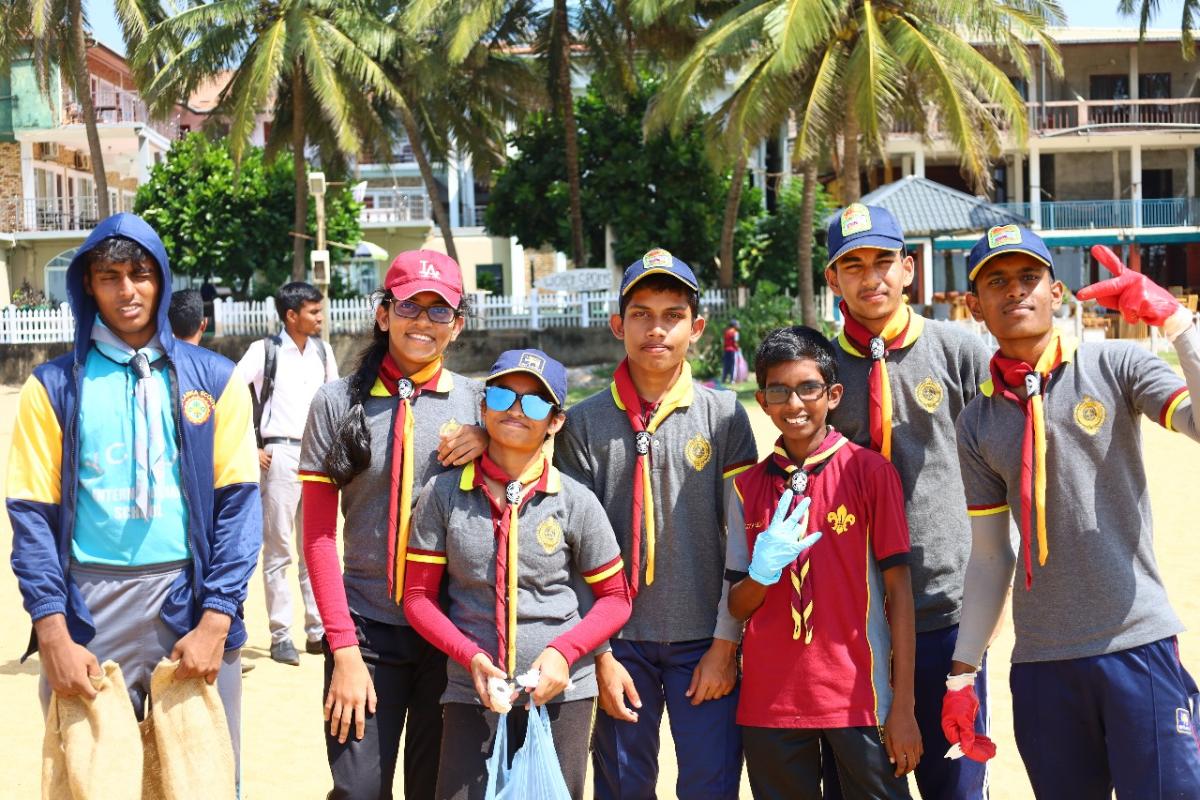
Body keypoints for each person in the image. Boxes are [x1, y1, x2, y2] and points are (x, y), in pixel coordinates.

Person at [944, 225, 1200, 798]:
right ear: (975, 305)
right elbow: (990, 558)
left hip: (1137, 644)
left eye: (1029, 277)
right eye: (996, 282)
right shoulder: (977, 421)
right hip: (1043, 665)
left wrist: (1178, 324)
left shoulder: (1115, 365)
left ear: (1055, 293)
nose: (1016, 291)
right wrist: (962, 672)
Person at [6, 212, 261, 778]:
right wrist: (53, 632)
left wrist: (216, 620)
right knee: (90, 780)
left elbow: (240, 508)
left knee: (204, 780)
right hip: (89, 610)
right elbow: (31, 519)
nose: (127, 291)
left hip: (187, 602)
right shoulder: (52, 388)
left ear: (161, 279)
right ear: (88, 285)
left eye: (140, 274)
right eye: (110, 277)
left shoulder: (215, 380)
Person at [555, 248, 759, 800]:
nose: (656, 329)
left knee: (710, 783)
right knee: (624, 785)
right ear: (617, 324)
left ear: (697, 327)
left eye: (673, 315)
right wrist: (598, 655)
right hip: (619, 643)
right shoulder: (583, 423)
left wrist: (726, 645)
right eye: (641, 314)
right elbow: (572, 552)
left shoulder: (724, 416)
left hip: (705, 636)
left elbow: (741, 540)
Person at [404, 348, 633, 800]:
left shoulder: (575, 500)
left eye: (534, 402)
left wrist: (564, 653)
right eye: (502, 396)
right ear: (483, 405)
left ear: (556, 422)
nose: (515, 410)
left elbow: (616, 597)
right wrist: (469, 656)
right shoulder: (444, 493)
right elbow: (417, 597)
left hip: (561, 695)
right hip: (472, 693)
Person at [300, 250, 488, 799]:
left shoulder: (481, 403)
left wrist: (489, 437)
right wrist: (343, 650)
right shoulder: (336, 402)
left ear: (457, 325)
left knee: (436, 790)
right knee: (358, 790)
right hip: (365, 630)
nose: (423, 322)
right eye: (409, 307)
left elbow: (547, 438)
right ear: (383, 314)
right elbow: (317, 537)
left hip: (451, 630)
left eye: (439, 311)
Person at [823, 203, 993, 799]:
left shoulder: (958, 351)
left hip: (947, 610)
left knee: (957, 786)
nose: (871, 277)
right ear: (833, 279)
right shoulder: (819, 369)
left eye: (883, 261)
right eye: (853, 265)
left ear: (909, 268)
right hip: (854, 620)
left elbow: (999, 461)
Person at [726, 325, 920, 799]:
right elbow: (736, 605)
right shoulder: (746, 487)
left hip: (859, 697)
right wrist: (762, 574)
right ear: (762, 400)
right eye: (779, 391)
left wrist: (904, 705)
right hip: (771, 704)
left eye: (808, 388)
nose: (794, 403)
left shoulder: (870, 472)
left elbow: (899, 593)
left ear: (833, 395)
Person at [237, 281, 337, 665]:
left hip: (318, 457)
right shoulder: (264, 351)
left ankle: (317, 631)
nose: (320, 317)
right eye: (313, 311)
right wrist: (250, 444)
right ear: (291, 315)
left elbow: (335, 403)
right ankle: (281, 634)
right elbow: (230, 393)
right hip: (279, 454)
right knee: (278, 549)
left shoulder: (323, 352)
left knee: (316, 547)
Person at [722, 318, 741, 384]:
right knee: (733, 365)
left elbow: (724, 342)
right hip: (733, 350)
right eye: (737, 324)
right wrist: (738, 349)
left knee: (726, 365)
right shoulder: (735, 333)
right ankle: (732, 380)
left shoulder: (726, 332)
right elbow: (735, 343)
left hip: (726, 350)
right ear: (734, 325)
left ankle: (723, 379)